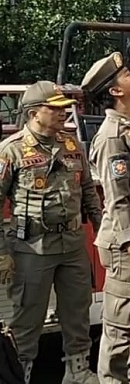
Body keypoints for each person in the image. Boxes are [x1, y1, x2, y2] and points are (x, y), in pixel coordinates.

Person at [0, 81, 103, 384]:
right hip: (31, 248)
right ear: (33, 113)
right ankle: (21, 375)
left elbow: (88, 192)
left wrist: (101, 230)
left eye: (63, 108)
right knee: (27, 319)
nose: (62, 113)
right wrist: (4, 255)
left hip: (71, 245)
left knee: (78, 313)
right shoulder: (12, 150)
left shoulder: (71, 145)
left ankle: (78, 372)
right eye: (54, 108)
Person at [82, 52, 130, 384]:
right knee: (122, 331)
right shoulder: (113, 134)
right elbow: (116, 200)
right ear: (115, 91)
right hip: (128, 248)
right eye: (128, 74)